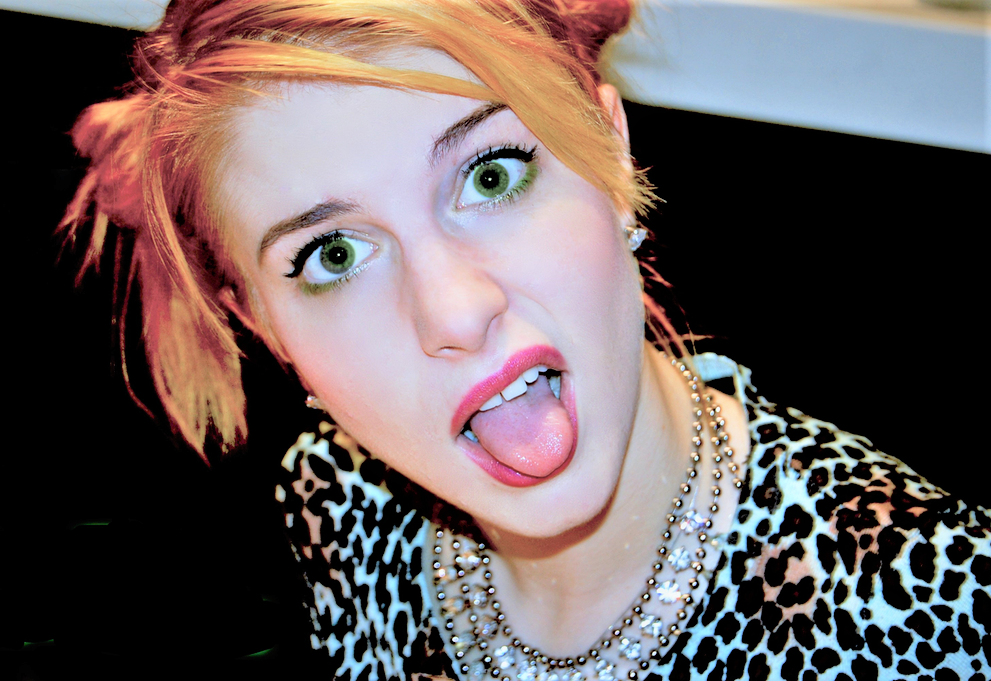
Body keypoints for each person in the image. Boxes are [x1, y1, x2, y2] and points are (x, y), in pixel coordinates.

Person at [60, 1, 989, 679]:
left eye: (492, 175)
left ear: (610, 153)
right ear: (264, 323)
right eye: (334, 254)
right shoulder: (339, 501)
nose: (455, 311)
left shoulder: (930, 604)